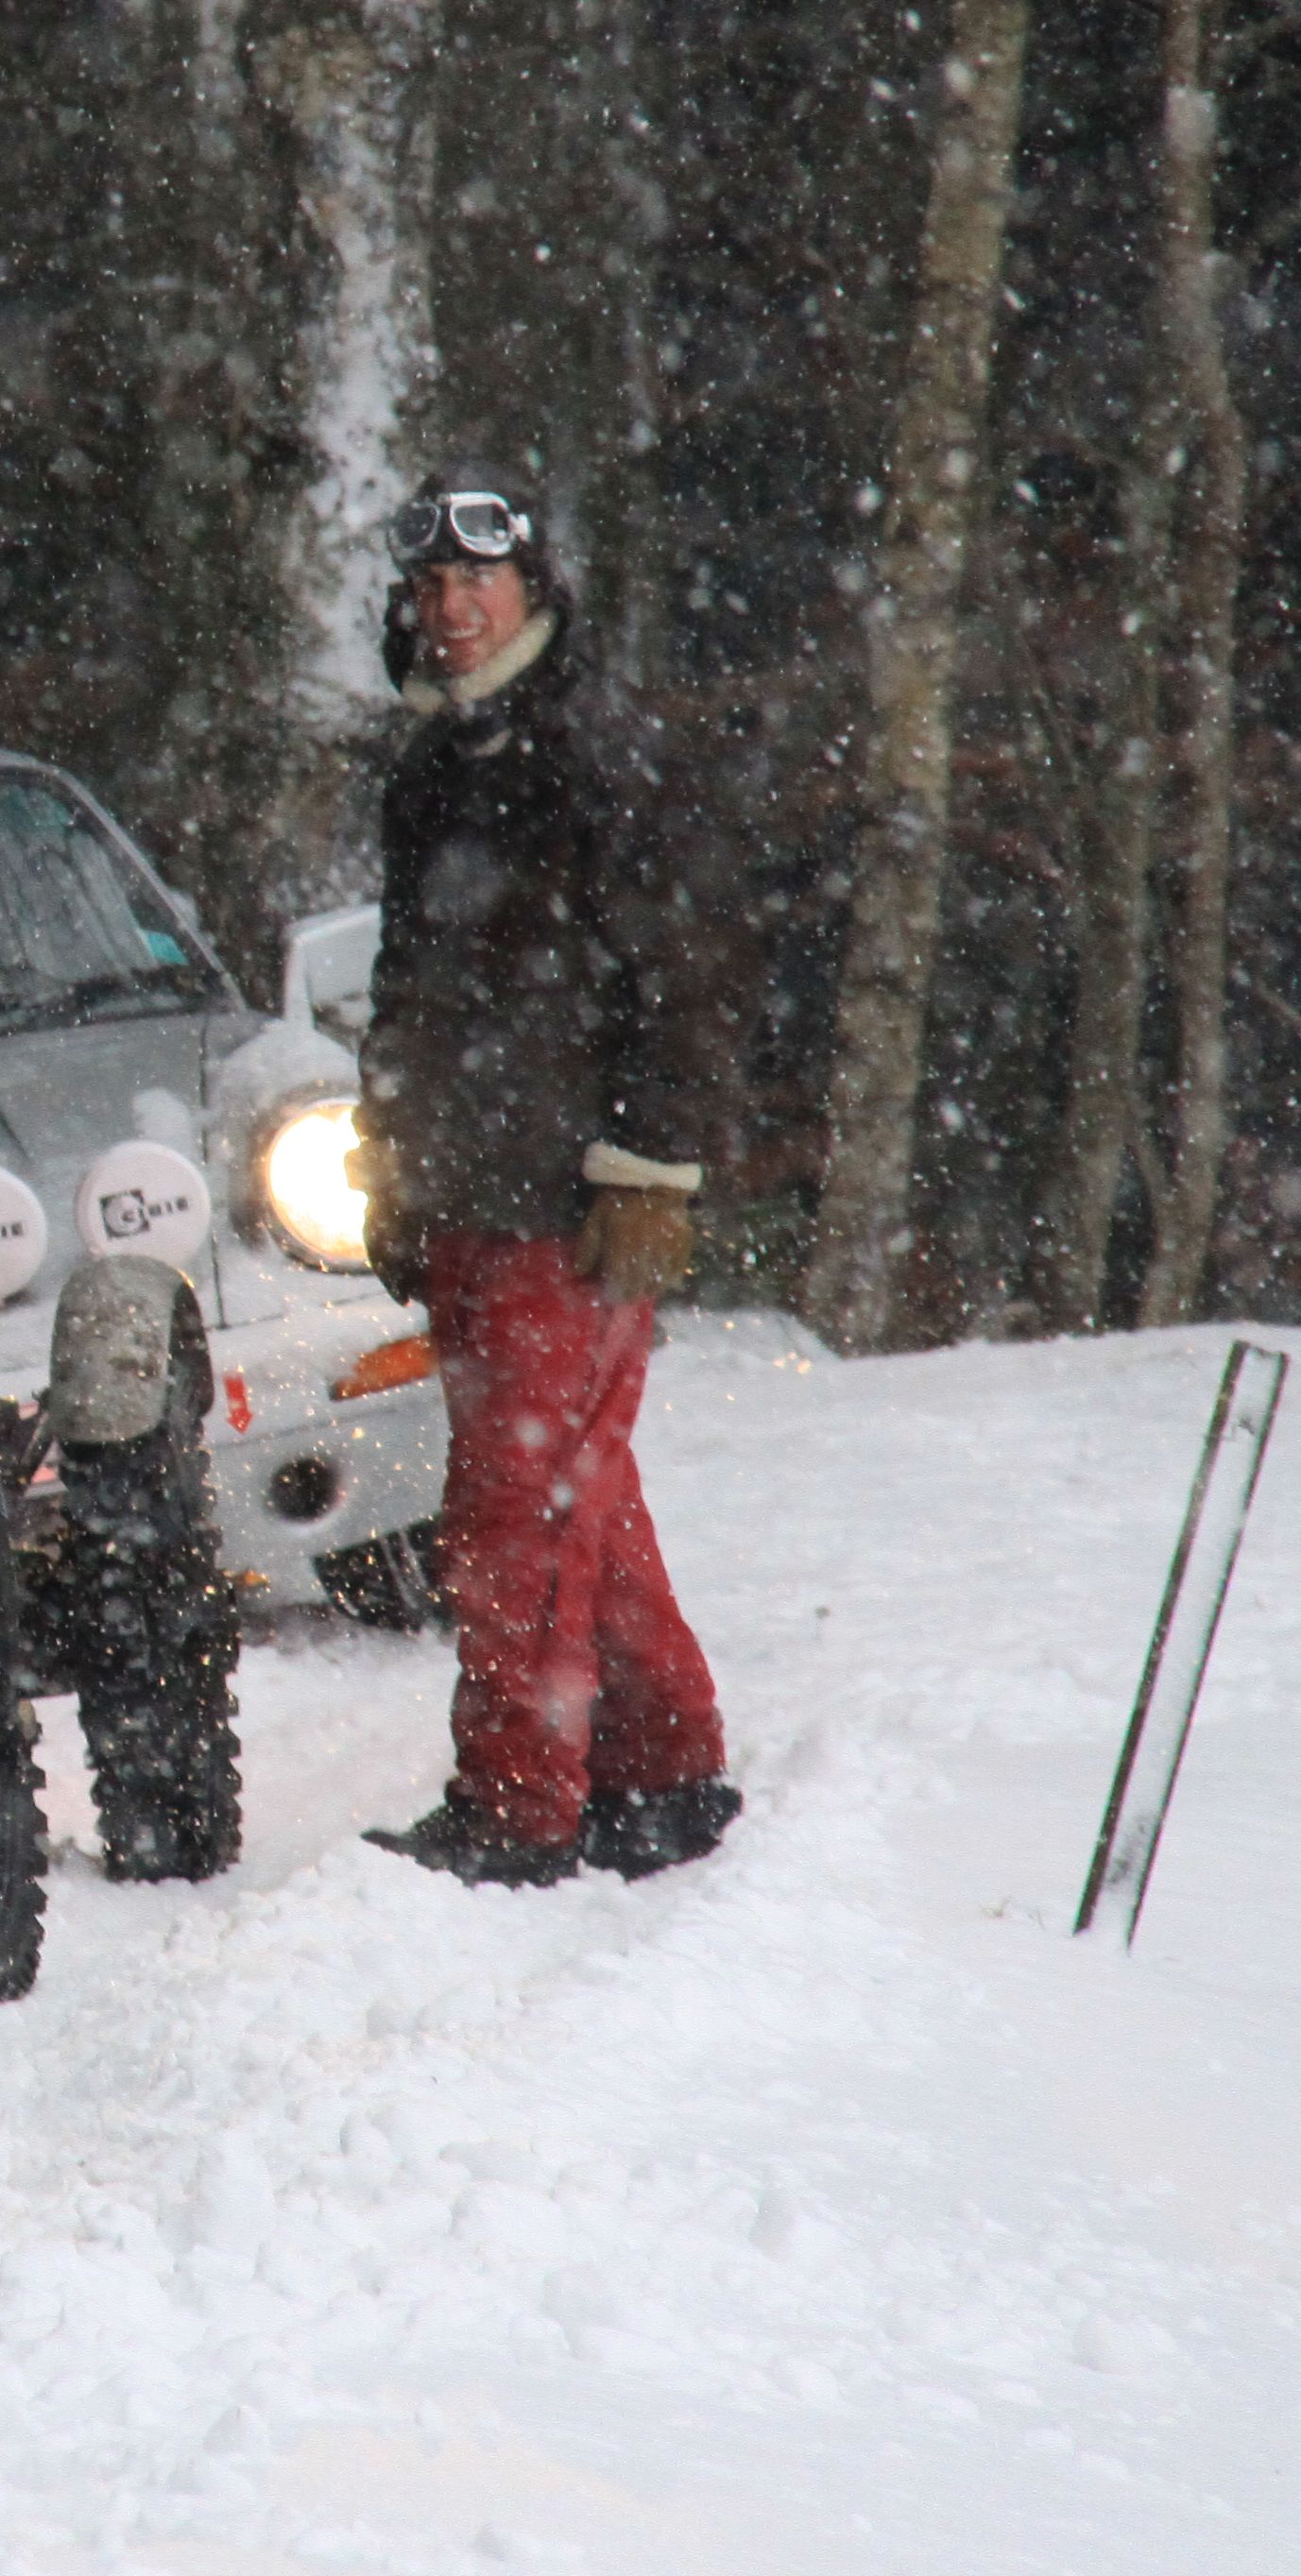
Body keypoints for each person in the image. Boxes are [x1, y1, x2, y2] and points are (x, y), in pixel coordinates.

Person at [350, 483, 746, 1888]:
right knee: (581, 1494)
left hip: (565, 1197)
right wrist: (391, 1164)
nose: (456, 608)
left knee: (511, 1518)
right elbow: (408, 989)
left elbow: (682, 977)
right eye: (436, 587)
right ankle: (662, 1768)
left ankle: (519, 1808)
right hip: (466, 1190)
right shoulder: (430, 765)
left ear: (535, 591)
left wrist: (650, 1173)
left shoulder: (595, 752)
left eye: (483, 581)